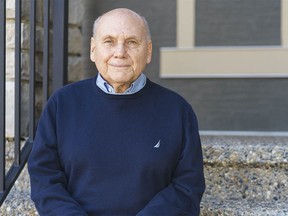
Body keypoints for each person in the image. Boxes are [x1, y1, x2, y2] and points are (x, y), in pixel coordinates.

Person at [28, 8, 205, 216]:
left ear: (148, 51)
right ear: (93, 49)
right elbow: (44, 177)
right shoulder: (62, 104)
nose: (120, 52)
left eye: (131, 42)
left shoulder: (177, 110)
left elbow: (187, 187)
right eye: (109, 41)